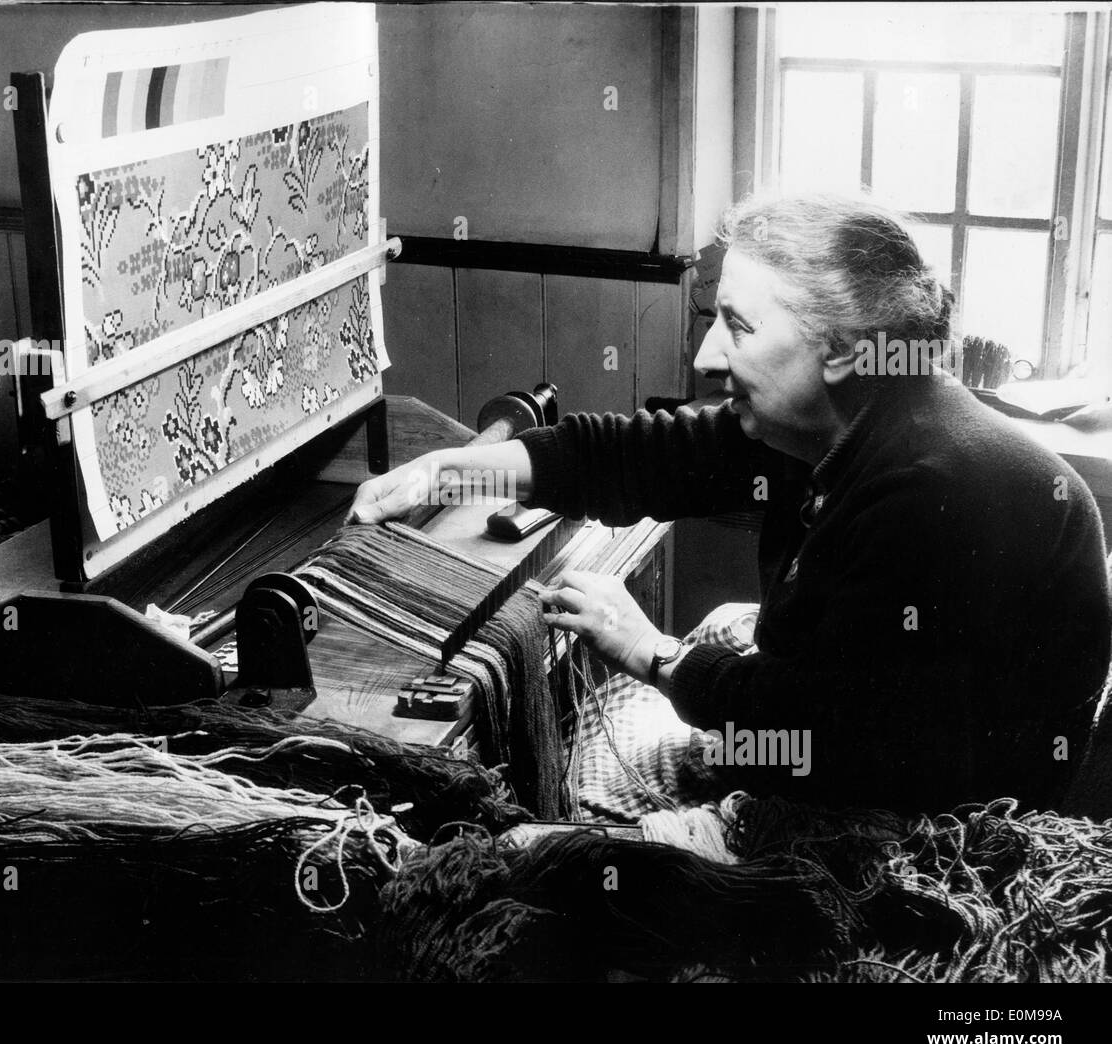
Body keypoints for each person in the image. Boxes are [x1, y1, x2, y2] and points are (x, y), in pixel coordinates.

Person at [348, 192, 1111, 815]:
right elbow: (637, 455)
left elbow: (808, 736)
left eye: (737, 327)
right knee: (715, 632)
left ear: (842, 349)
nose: (707, 355)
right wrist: (453, 470)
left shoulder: (925, 496)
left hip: (934, 823)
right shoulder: (844, 414)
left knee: (580, 792)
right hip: (868, 727)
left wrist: (655, 653)